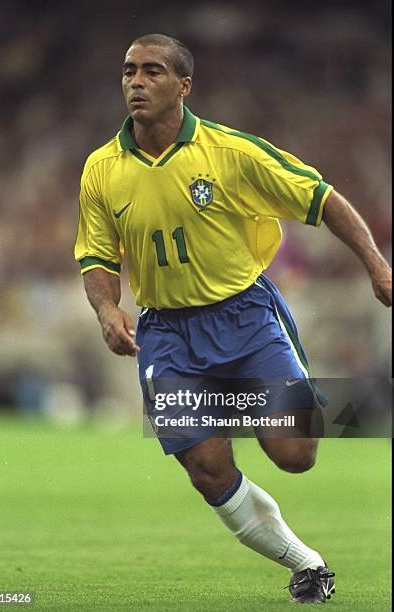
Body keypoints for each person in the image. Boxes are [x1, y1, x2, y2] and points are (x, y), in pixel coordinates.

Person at [74, 34, 392, 604]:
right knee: (208, 469)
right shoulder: (101, 169)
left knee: (296, 456)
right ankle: (308, 565)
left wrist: (377, 266)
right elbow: (97, 255)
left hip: (243, 315)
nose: (136, 82)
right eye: (128, 71)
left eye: (151, 71)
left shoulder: (232, 153)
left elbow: (323, 199)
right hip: (166, 333)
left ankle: (285, 399)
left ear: (183, 85)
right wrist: (106, 308)